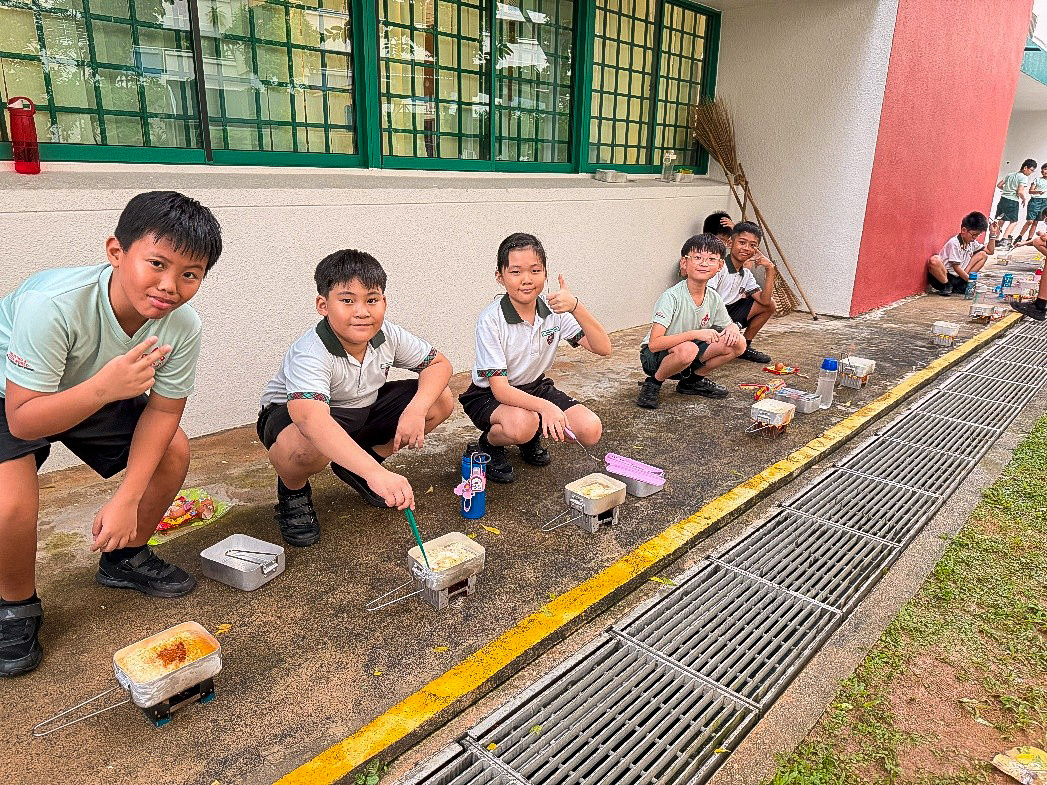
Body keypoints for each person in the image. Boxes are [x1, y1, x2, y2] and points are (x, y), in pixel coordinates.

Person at [0, 191, 223, 677]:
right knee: (10, 503)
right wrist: (103, 389)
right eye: (157, 264)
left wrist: (127, 498)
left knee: (173, 452)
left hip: (98, 383)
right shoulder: (52, 305)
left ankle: (124, 557)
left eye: (190, 274)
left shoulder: (181, 325)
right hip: (11, 391)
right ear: (116, 252)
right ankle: (14, 605)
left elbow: (164, 414)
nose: (170, 286)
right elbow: (22, 420)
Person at [257, 250, 454, 547]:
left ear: (384, 302)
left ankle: (359, 465)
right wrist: (378, 475)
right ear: (323, 305)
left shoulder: (389, 334)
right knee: (307, 446)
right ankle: (293, 493)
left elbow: (439, 364)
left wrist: (416, 409)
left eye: (371, 300)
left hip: (361, 410)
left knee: (440, 400)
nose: (362, 311)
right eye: (347, 300)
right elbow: (311, 420)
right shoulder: (310, 351)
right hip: (296, 420)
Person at [459, 232, 612, 484]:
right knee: (523, 423)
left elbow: (603, 347)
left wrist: (576, 306)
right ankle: (487, 444)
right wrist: (547, 408)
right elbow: (500, 390)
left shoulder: (554, 310)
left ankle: (529, 435)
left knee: (590, 429)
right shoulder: (491, 319)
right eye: (516, 272)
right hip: (489, 394)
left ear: (546, 273)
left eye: (535, 270)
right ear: (500, 276)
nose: (526, 280)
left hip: (534, 387)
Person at [637, 233, 746, 409]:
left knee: (738, 343)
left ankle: (692, 382)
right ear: (684, 263)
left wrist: (733, 327)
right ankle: (654, 383)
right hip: (655, 357)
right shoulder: (671, 297)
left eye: (711, 259)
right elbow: (654, 344)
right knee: (689, 348)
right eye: (697, 257)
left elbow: (728, 324)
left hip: (689, 351)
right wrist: (696, 334)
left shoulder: (713, 297)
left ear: (720, 265)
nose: (704, 263)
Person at [707, 221, 776, 363]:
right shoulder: (719, 267)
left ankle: (745, 347)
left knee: (770, 305)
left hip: (731, 312)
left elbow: (765, 301)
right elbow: (708, 300)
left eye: (752, 245)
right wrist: (730, 325)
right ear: (730, 243)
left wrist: (770, 269)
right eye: (742, 242)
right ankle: (729, 341)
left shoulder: (746, 274)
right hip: (712, 315)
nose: (746, 248)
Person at [926, 212, 999, 296]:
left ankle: (960, 286)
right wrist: (971, 282)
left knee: (983, 255)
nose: (975, 237)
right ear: (964, 230)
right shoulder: (954, 243)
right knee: (934, 260)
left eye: (977, 235)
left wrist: (993, 234)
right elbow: (956, 268)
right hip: (945, 277)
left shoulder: (972, 242)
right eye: (974, 235)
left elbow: (990, 251)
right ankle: (947, 286)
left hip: (959, 277)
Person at [995, 159, 1036, 240]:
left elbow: (999, 185)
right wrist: (1024, 199)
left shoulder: (1009, 174)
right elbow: (1020, 191)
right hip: (1012, 201)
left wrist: (1007, 190)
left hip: (1003, 200)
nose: (1031, 173)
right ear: (1025, 168)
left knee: (1001, 219)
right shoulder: (1024, 177)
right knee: (1014, 221)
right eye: (1031, 170)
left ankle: (996, 239)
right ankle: (1004, 239)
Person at [1017, 163, 1047, 242]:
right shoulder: (1037, 179)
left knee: (1036, 222)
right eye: (1044, 169)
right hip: (1035, 201)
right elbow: (1030, 191)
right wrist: (1038, 192)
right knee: (1030, 221)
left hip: (1045, 202)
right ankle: (1020, 236)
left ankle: (1029, 239)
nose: (1045, 171)